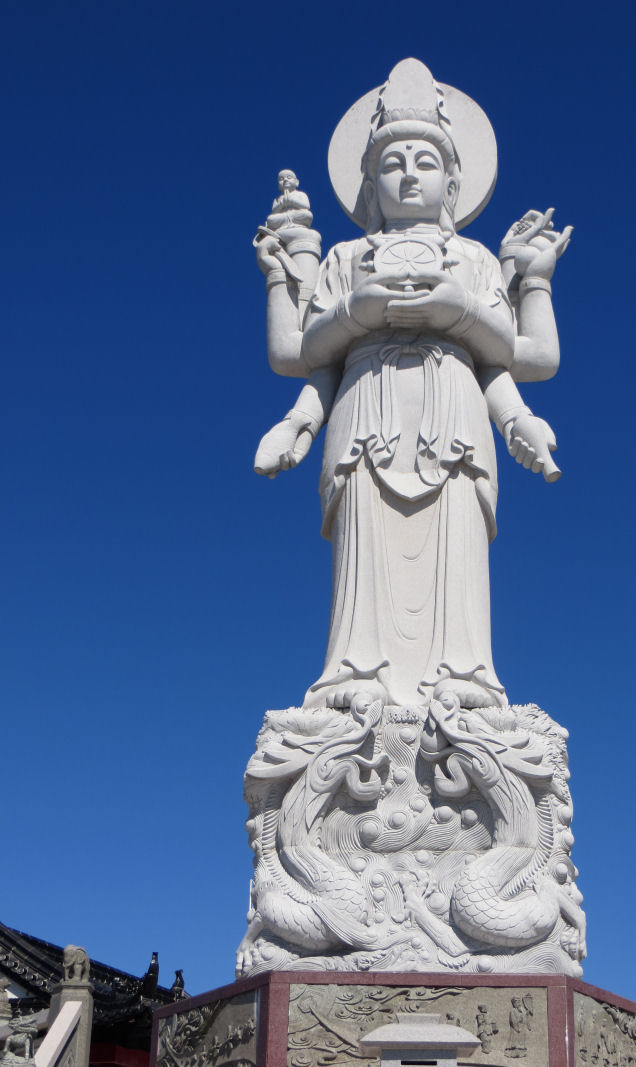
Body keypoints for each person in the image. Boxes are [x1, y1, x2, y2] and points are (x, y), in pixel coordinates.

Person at [253, 59, 571, 711]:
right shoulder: (346, 258)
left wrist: (521, 296)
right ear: (371, 182)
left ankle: (465, 677)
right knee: (365, 552)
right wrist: (300, 414)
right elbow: (300, 354)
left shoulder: (472, 259)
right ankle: (354, 676)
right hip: (362, 421)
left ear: (451, 181)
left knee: (456, 549)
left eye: (424, 162)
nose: (408, 174)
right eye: (392, 163)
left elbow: (518, 359)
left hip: (454, 418)